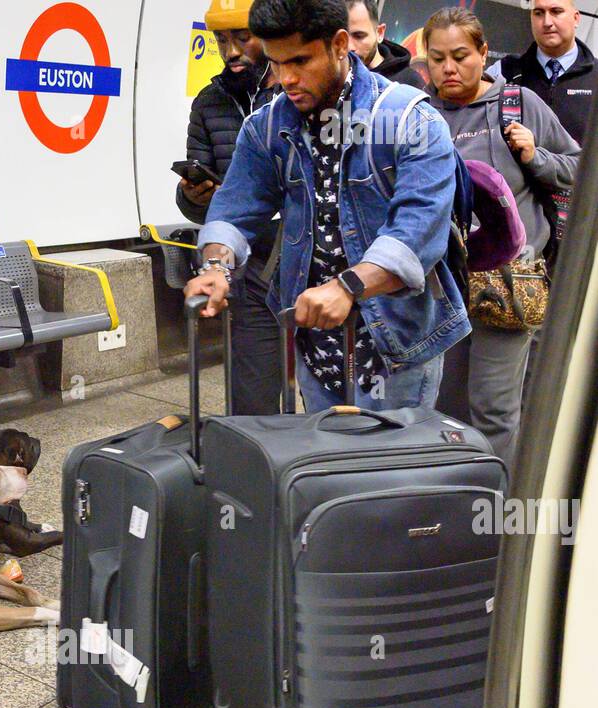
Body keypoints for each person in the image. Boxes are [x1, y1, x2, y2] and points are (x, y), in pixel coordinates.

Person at [186, 0, 469, 412]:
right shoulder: (266, 126)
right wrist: (216, 266)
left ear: (339, 45)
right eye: (276, 62)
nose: (287, 79)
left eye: (300, 61)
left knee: (388, 473)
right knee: (327, 470)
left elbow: (417, 232)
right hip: (315, 350)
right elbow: (234, 210)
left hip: (396, 347)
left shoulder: (410, 119)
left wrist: (347, 286)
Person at [425, 9, 579, 467]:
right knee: (443, 412)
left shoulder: (518, 103)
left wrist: (535, 156)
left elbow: (578, 168)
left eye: (460, 56)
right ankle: (450, 508)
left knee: (493, 411)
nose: (449, 69)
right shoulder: (422, 115)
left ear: (483, 53)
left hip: (509, 286)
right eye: (437, 59)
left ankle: (498, 519)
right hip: (442, 288)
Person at [177, 5, 281, 413]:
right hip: (239, 256)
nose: (232, 50)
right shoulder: (209, 101)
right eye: (222, 40)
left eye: (242, 38)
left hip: (298, 245)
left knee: (322, 381)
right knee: (252, 386)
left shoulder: (294, 93)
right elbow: (203, 198)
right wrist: (194, 196)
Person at [489, 2, 595, 146]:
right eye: (538, 13)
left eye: (556, 12)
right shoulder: (504, 72)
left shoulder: (595, 75)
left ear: (576, 18)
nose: (547, 22)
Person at [346, 0, 425, 88]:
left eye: (359, 36)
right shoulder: (334, 78)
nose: (350, 47)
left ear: (379, 33)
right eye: (342, 39)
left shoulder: (410, 82)